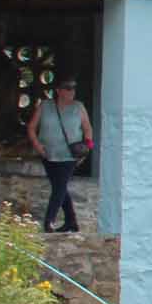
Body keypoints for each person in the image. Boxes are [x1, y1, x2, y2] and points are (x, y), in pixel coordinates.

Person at [28, 79, 92, 233]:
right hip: (48, 154)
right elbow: (31, 127)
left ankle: (49, 221)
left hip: (69, 155)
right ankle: (71, 221)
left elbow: (87, 128)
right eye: (67, 88)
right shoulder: (45, 106)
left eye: (73, 88)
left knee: (59, 188)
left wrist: (87, 148)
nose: (71, 91)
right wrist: (37, 145)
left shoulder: (78, 107)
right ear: (58, 90)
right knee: (60, 187)